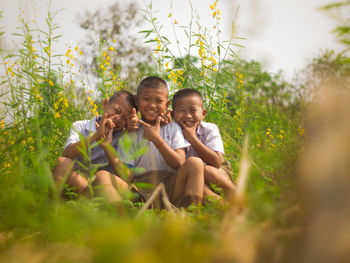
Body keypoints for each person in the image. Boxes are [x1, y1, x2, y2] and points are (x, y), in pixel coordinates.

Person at [98, 76, 205, 208]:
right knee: (102, 176)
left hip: (171, 187)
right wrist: (107, 147)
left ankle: (192, 215)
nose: (152, 105)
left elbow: (180, 163)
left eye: (159, 101)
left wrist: (156, 139)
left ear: (166, 104)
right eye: (146, 99)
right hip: (139, 190)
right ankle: (123, 219)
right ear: (136, 100)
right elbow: (128, 177)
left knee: (195, 163)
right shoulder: (131, 132)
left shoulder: (172, 127)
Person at [52, 90, 136, 203]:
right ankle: (51, 208)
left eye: (124, 118)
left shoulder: (124, 138)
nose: (118, 118)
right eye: (116, 110)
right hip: (77, 180)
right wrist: (96, 136)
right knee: (62, 162)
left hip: (103, 186)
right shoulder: (81, 126)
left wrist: (107, 147)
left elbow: (127, 177)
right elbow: (67, 153)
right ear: (105, 104)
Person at [172, 88, 236, 202]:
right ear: (172, 114)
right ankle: (225, 208)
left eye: (192, 111)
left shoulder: (210, 129)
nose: (187, 116)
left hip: (215, 171)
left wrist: (191, 138)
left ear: (203, 113)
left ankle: (240, 199)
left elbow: (216, 162)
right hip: (191, 176)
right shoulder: (171, 131)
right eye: (182, 111)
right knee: (197, 183)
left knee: (206, 171)